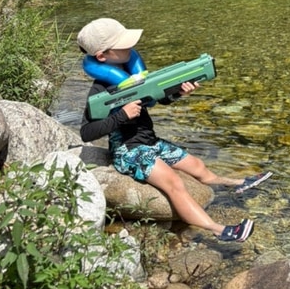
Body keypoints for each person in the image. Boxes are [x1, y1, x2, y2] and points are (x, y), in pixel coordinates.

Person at [78, 17, 272, 242]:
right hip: (129, 151)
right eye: (123, 45)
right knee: (175, 183)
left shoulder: (130, 70)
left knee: (198, 166)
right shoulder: (100, 89)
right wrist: (121, 116)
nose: (130, 47)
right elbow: (87, 132)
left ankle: (237, 184)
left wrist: (178, 92)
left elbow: (155, 99)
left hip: (150, 141)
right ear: (102, 56)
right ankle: (220, 231)